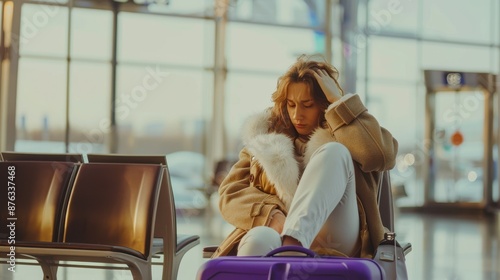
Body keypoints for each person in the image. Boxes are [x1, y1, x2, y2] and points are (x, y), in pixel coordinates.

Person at [211, 54, 398, 259]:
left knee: (334, 152)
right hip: (279, 230)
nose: (297, 115)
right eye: (291, 104)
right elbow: (230, 193)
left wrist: (339, 102)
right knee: (257, 239)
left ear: (324, 104)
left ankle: (293, 246)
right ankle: (289, 249)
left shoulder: (350, 133)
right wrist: (270, 214)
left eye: (307, 105)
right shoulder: (265, 139)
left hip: (335, 237)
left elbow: (378, 156)